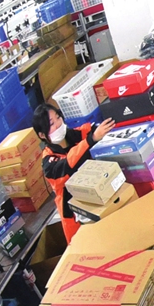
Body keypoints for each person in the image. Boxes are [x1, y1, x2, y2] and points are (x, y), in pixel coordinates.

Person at [32, 103, 115, 243]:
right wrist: (91, 140)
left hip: (98, 198)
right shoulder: (48, 162)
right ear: (42, 134)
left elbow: (89, 129)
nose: (58, 124)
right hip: (75, 215)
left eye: (58, 118)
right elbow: (69, 165)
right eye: (52, 123)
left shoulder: (75, 135)